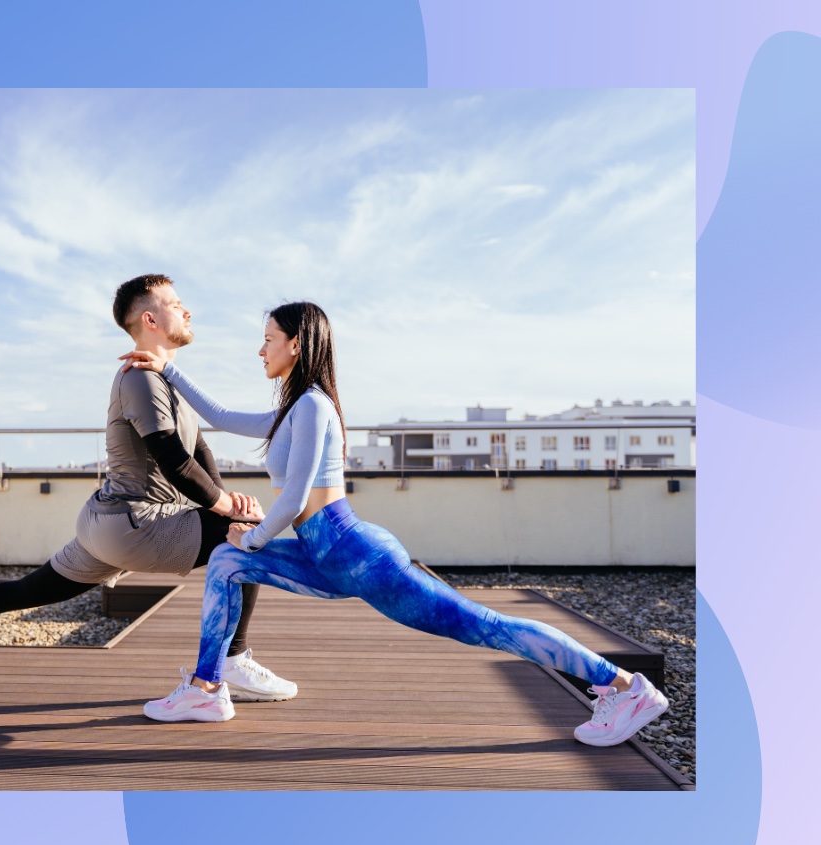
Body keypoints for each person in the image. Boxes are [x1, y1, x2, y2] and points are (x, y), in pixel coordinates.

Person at [124, 301, 669, 746]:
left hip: (355, 553)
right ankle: (206, 687)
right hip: (329, 556)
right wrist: (166, 369)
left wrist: (255, 536)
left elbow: (291, 500)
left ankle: (624, 686)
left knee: (485, 626)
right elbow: (220, 417)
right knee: (225, 563)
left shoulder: (313, 406)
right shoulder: (294, 409)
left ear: (296, 343)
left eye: (268, 338)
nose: (260, 348)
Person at [0, 274, 296, 703]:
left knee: (33, 589)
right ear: (149, 318)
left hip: (111, 523)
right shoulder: (140, 379)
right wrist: (230, 507)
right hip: (136, 523)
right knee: (248, 536)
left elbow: (198, 448)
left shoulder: (163, 377)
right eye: (175, 303)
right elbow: (174, 461)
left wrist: (223, 503)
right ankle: (229, 662)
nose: (187, 309)